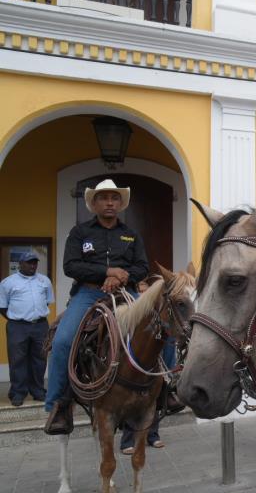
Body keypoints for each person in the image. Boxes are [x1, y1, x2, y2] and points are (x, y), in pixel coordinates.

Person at [44, 179, 149, 434]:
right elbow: (71, 266)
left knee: (158, 329)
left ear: (120, 203)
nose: (110, 202)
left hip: (127, 293)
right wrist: (107, 271)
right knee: (63, 341)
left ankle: (167, 389)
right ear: (94, 203)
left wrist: (122, 276)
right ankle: (59, 404)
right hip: (88, 294)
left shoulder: (131, 235)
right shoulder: (79, 233)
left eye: (114, 198)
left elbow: (142, 267)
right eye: (104, 198)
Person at [120, 275, 175, 454]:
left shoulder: (157, 312)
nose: (142, 295)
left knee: (155, 400)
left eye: (145, 292)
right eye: (140, 292)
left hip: (156, 364)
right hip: (135, 363)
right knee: (132, 400)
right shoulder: (135, 312)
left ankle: (153, 435)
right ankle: (128, 439)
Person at [0, 251, 53, 406]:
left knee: (40, 359)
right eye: (29, 262)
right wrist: (17, 317)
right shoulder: (7, 283)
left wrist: (34, 315)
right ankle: (17, 392)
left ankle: (37, 391)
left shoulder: (45, 281)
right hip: (17, 326)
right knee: (17, 360)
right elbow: (2, 307)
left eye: (35, 262)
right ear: (20, 264)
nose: (33, 265)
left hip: (41, 325)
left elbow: (47, 302)